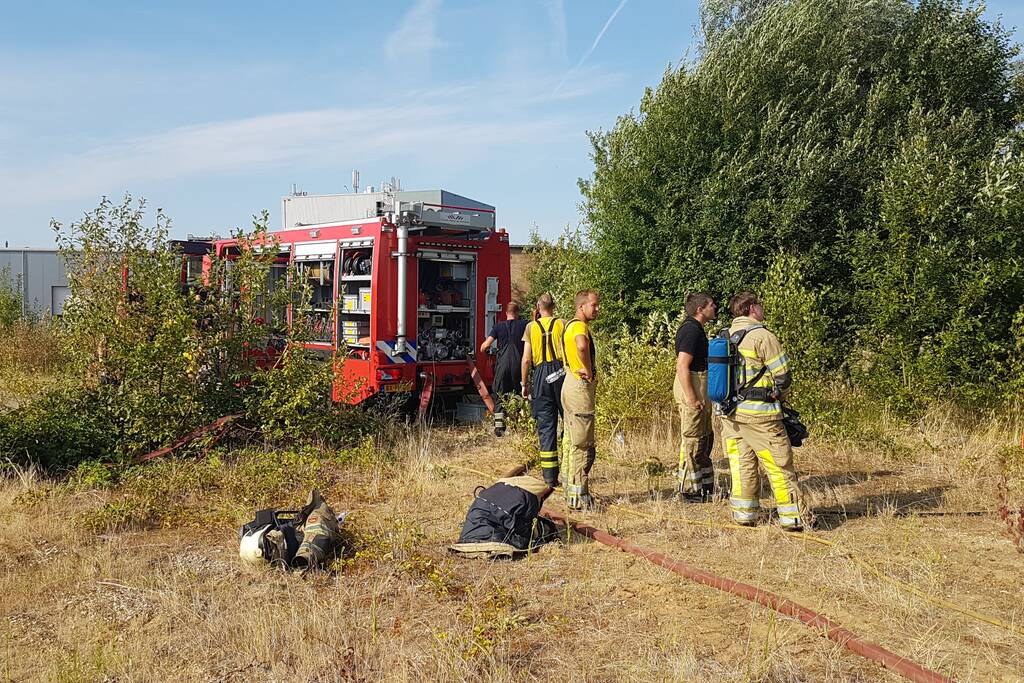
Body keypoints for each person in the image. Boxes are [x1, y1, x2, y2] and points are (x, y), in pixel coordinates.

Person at [721, 291, 806, 531]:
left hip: (730, 415)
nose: (762, 308)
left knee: (741, 465)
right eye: (760, 304)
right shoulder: (763, 336)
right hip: (761, 415)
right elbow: (783, 376)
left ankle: (744, 514)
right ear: (751, 308)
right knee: (778, 464)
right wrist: (780, 398)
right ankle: (793, 517)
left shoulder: (724, 336)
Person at [673, 292, 717, 500]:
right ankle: (689, 490)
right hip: (693, 388)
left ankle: (705, 488)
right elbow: (682, 365)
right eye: (711, 304)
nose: (714, 307)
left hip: (700, 387)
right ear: (700, 309)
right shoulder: (690, 330)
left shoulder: (697, 329)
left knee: (704, 438)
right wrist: (692, 398)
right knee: (693, 440)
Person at [520, 293, 566, 486]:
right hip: (561, 373)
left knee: (546, 427)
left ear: (538, 307)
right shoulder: (562, 324)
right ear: (553, 307)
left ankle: (549, 477)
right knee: (569, 422)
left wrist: (524, 384)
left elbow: (526, 359)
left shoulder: (531, 327)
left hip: (540, 375)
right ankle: (570, 470)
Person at [561, 290, 600, 510]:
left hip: (568, 382)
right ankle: (580, 497)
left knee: (570, 439)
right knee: (583, 443)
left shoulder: (567, 325)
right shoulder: (579, 327)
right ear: (581, 306)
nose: (597, 309)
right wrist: (588, 369)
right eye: (593, 305)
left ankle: (570, 491)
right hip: (579, 387)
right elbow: (582, 346)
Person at [481, 302, 529, 396]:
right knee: (518, 397)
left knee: (501, 397)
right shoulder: (524, 324)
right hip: (518, 367)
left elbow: (484, 347)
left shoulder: (498, 327)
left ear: (506, 313)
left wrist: (488, 350)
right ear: (517, 313)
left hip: (502, 367)